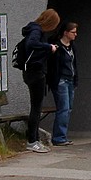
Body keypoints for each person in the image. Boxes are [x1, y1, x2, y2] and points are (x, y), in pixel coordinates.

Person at [20, 9, 59, 153]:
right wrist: (49, 47)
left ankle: (34, 139)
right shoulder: (36, 31)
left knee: (36, 107)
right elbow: (32, 44)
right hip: (35, 72)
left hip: (30, 72)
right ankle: (32, 140)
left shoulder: (32, 28)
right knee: (36, 108)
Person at [48, 21, 79, 147]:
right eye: (73, 32)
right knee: (64, 108)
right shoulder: (57, 47)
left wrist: (76, 77)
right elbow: (53, 65)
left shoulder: (72, 47)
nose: (75, 35)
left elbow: (75, 64)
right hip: (61, 80)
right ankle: (59, 137)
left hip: (71, 78)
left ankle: (62, 135)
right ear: (65, 33)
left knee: (68, 108)